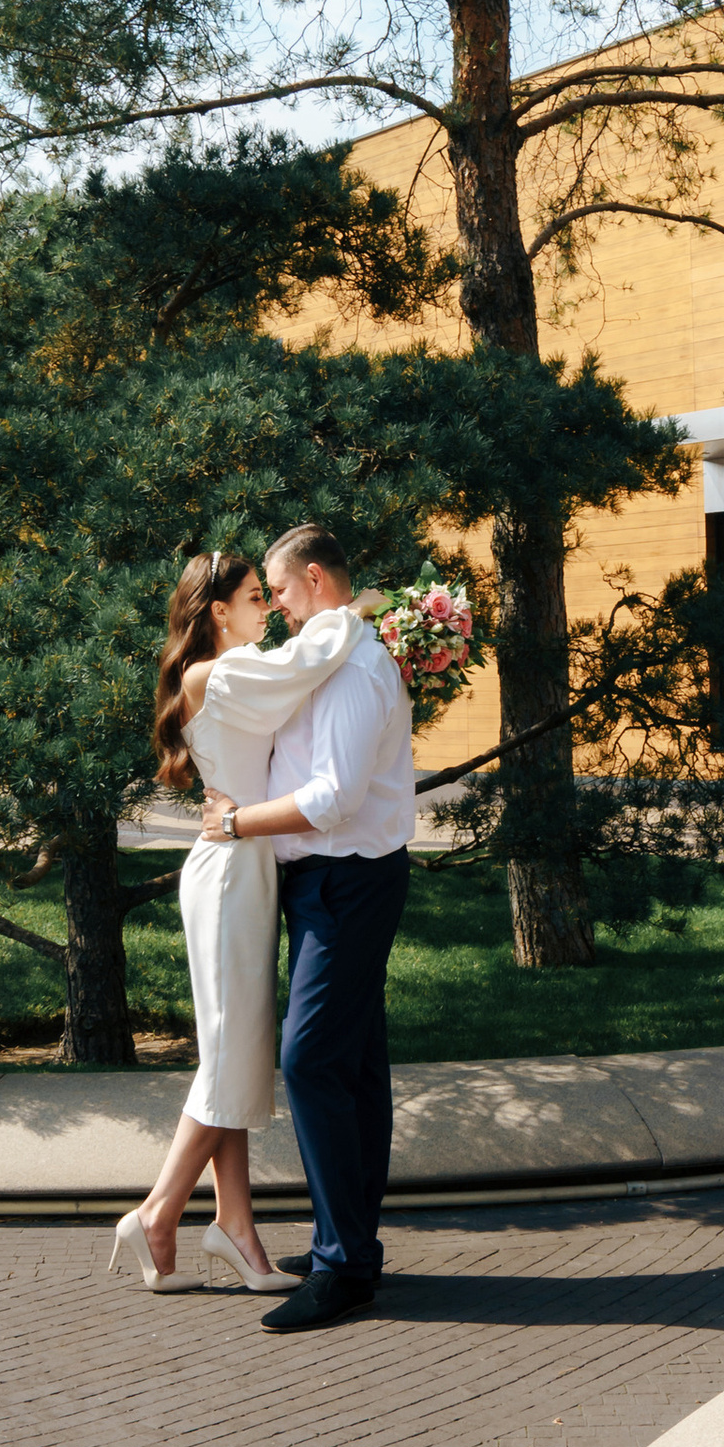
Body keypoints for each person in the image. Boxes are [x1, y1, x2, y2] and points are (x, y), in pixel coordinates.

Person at [106, 550, 363, 1295]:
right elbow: (306, 663)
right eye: (255, 596)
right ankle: (157, 1214)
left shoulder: (235, 670)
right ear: (218, 611)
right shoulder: (214, 674)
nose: (267, 608)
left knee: (234, 1051)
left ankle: (235, 1226)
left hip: (246, 865)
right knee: (228, 1058)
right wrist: (357, 611)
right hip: (226, 873)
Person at [201, 521, 417, 1334]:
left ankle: (343, 1268)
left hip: (350, 882)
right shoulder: (333, 654)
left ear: (316, 579)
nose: (278, 607)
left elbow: (334, 798)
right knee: (353, 1065)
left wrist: (235, 824)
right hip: (326, 884)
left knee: (312, 1058)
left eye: (283, 590)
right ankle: (350, 1245)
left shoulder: (354, 670)